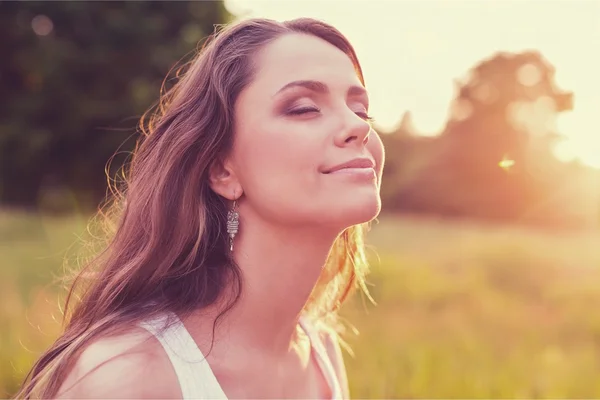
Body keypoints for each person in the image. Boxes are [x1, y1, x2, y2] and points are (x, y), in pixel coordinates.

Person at [16, 16, 385, 399]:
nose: (357, 127)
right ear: (222, 169)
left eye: (361, 110)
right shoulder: (127, 377)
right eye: (304, 108)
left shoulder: (321, 353)